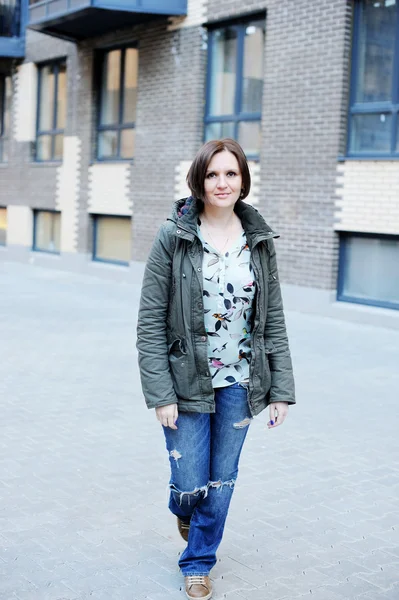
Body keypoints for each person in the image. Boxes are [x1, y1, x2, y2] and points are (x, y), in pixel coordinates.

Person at [136, 138, 295, 600]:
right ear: (199, 180)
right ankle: (184, 505)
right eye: (213, 174)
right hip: (185, 382)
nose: (222, 183)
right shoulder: (175, 234)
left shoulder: (259, 241)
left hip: (242, 383)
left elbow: (274, 320)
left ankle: (199, 562)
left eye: (231, 173)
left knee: (221, 480)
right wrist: (160, 394)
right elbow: (150, 321)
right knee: (190, 482)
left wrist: (280, 388)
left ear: (243, 179)